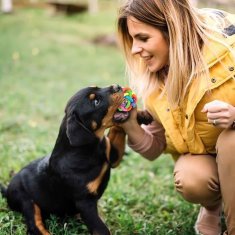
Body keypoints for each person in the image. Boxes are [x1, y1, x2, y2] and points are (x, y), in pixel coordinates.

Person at [117, 0, 235, 235]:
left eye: (143, 38)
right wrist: (130, 125)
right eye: (133, 40)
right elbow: (155, 147)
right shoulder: (153, 79)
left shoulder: (229, 51)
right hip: (208, 156)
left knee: (231, 141)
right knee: (192, 179)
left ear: (172, 29)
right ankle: (212, 207)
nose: (134, 50)